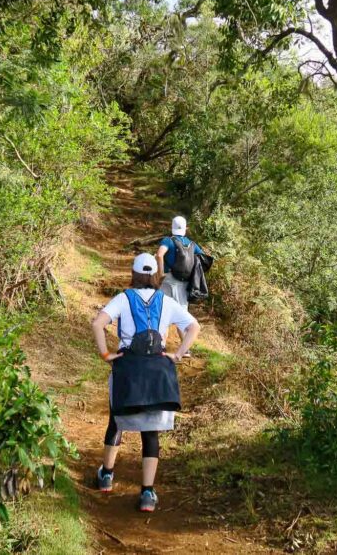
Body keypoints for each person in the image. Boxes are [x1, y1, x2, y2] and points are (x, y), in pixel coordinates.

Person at [90, 252, 201, 512]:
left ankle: (106, 475)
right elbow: (194, 326)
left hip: (128, 368)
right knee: (150, 433)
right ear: (154, 276)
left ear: (134, 273)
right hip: (156, 371)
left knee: (116, 421)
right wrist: (177, 354)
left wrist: (106, 354)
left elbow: (98, 323)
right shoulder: (167, 301)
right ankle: (148, 493)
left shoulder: (122, 299)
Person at [156, 216, 204, 356]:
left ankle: (161, 345)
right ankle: (186, 349)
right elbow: (203, 258)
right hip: (184, 283)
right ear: (185, 228)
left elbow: (159, 255)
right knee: (182, 316)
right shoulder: (192, 244)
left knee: (162, 312)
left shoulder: (168, 241)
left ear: (172, 226)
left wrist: (160, 274)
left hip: (169, 280)